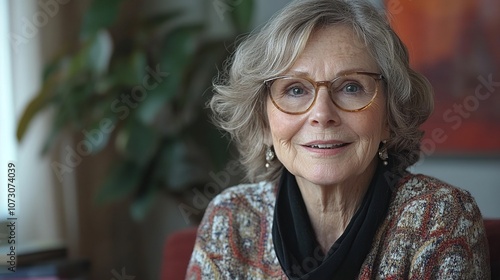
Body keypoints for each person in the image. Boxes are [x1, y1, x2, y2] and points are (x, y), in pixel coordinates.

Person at [186, 0, 490, 279]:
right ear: (264, 121)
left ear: (389, 116)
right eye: (295, 90)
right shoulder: (231, 219)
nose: (322, 114)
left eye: (351, 87)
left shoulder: (440, 217)